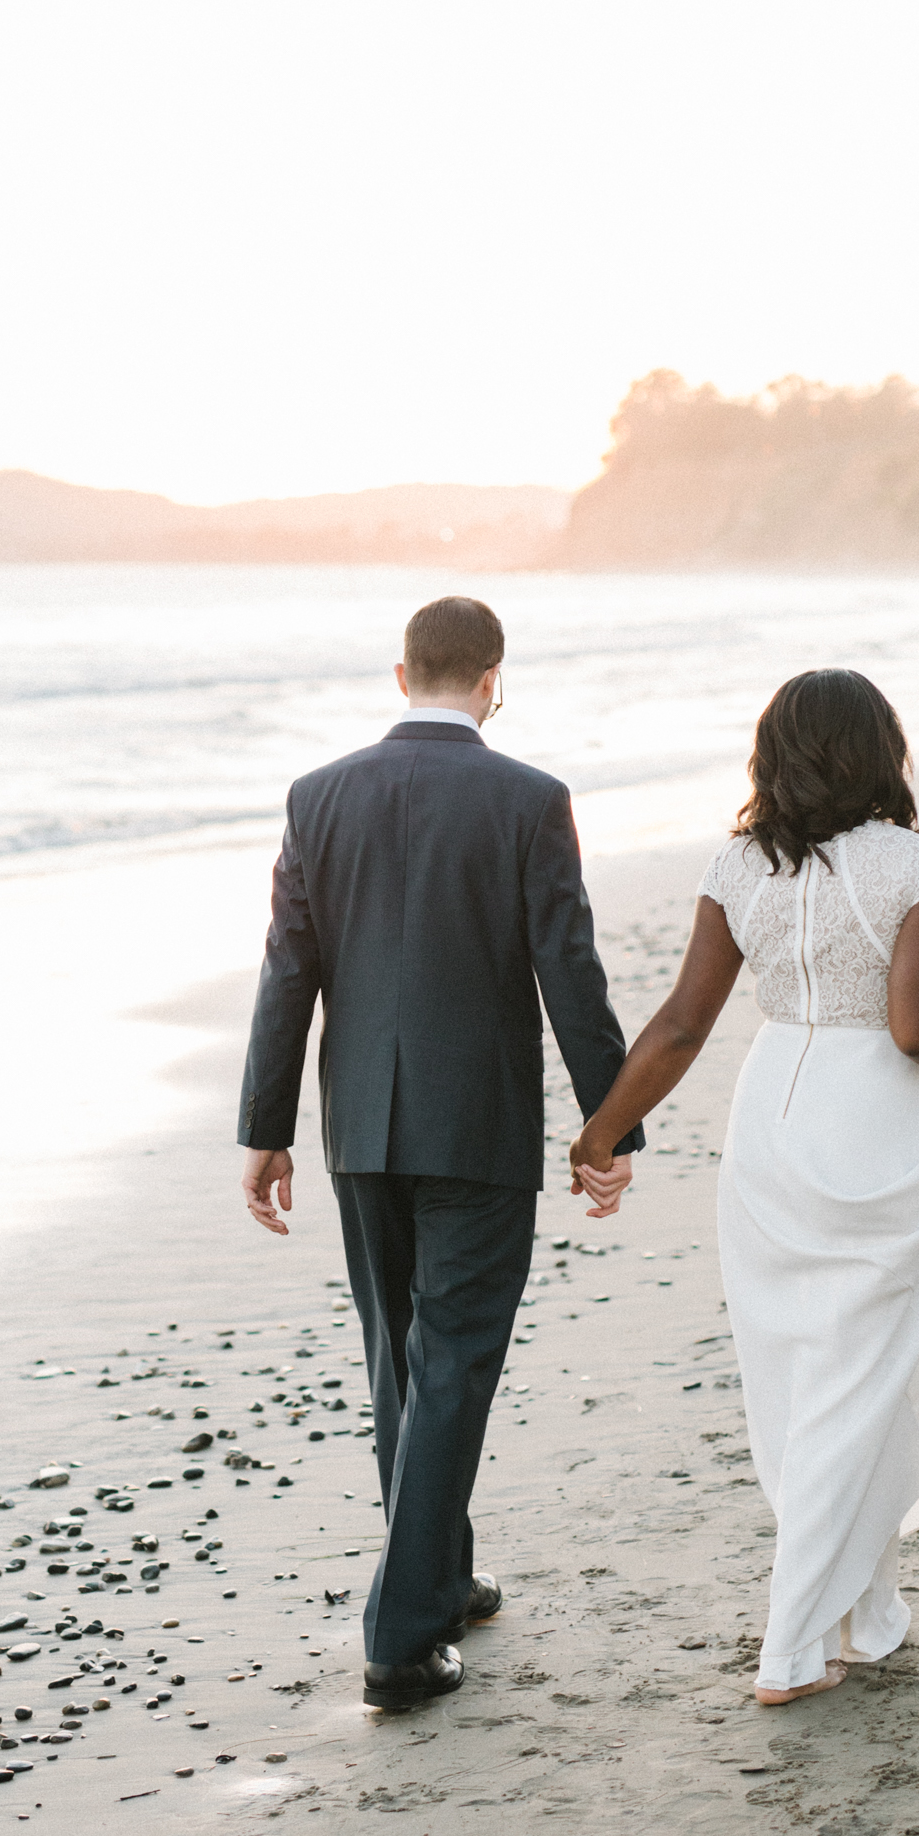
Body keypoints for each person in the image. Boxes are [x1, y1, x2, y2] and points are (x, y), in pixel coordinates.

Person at [568, 667, 919, 1706]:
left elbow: (682, 1023)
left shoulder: (738, 866)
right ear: (880, 748)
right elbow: (917, 1032)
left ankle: (859, 1616)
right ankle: (790, 1645)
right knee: (861, 1373)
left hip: (769, 1123)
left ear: (773, 752)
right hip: (867, 1118)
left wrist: (601, 1130)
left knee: (797, 1378)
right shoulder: (917, 864)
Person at [238, 594, 641, 1711]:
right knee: (453, 1360)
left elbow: (288, 972)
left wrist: (264, 1129)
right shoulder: (529, 800)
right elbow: (571, 973)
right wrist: (605, 1125)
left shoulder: (316, 797)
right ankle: (401, 1638)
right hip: (476, 1124)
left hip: (359, 1126)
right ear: (492, 679)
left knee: (399, 1360)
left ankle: (442, 1575)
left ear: (399, 672)